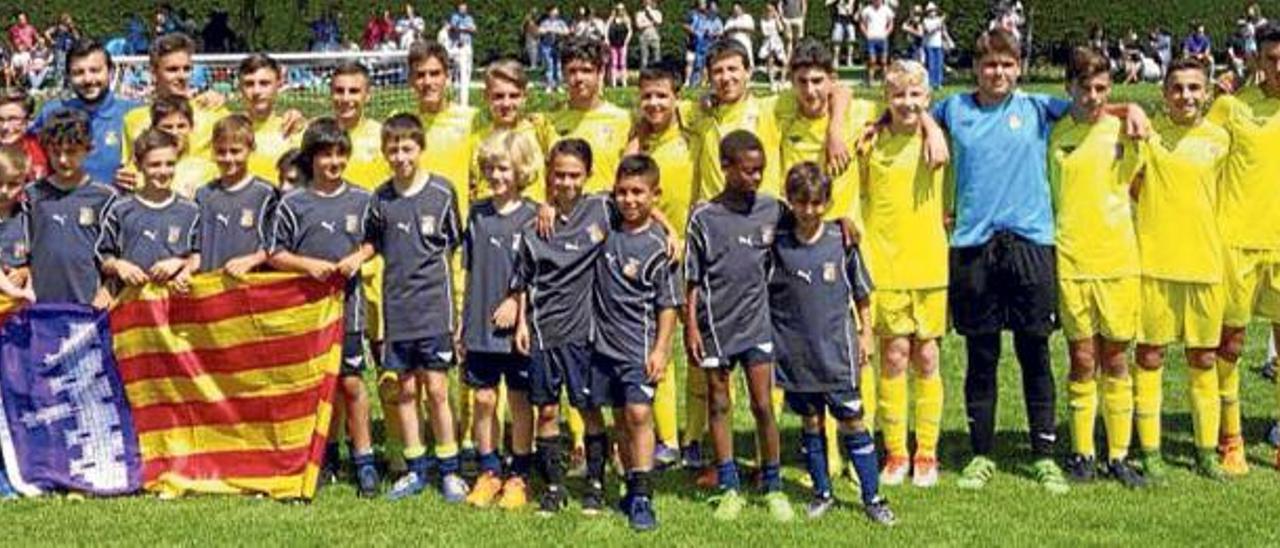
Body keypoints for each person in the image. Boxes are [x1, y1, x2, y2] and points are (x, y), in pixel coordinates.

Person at [932, 29, 1148, 494]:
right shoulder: (954, 109)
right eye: (990, 65)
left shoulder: (1035, 108)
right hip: (974, 246)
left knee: (1035, 352)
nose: (999, 73)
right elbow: (908, 117)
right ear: (975, 67)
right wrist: (929, 127)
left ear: (1018, 68)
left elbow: (1089, 108)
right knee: (982, 355)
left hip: (1031, 245)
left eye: (1007, 65)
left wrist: (1131, 107)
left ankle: (1046, 455)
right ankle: (981, 453)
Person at [772, 162, 892, 524]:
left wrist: (866, 334)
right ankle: (822, 493)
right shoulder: (777, 244)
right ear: (790, 201)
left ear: (827, 202)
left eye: (816, 204)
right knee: (810, 422)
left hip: (838, 352)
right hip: (796, 352)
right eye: (801, 203)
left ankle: (873, 498)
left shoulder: (841, 240)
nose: (808, 211)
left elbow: (862, 293)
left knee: (853, 421)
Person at [1050, 48, 1145, 488]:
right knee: (1082, 358)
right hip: (1071, 261)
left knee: (1117, 358)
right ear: (1068, 87)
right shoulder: (1053, 134)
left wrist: (1133, 109)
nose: (1092, 96)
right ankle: (1083, 452)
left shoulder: (1125, 131)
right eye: (1084, 88)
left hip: (1119, 261)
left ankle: (1120, 455)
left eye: (1102, 88)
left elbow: (1141, 187)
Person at [269, 117, 379, 498]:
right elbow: (275, 252)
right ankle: (322, 456)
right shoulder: (292, 203)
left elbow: (374, 242)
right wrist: (307, 266)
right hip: (304, 310)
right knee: (315, 384)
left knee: (350, 382)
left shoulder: (363, 199)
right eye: (324, 155)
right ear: (311, 158)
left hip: (346, 306)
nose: (333, 162)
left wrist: (357, 257)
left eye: (339, 154)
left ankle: (364, 460)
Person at [1130, 58, 1229, 481]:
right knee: (1150, 355)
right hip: (1154, 264)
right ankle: (1150, 451)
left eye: (1194, 88)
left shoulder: (1221, 139)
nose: (1186, 96)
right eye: (1177, 88)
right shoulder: (1148, 137)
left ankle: (1207, 451)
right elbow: (1132, 186)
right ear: (1163, 93)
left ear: (1206, 93)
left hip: (1206, 264)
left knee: (1204, 357)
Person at [685, 130, 792, 522]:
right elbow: (692, 278)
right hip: (715, 325)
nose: (755, 178)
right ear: (726, 167)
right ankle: (728, 484)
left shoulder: (773, 210)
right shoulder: (703, 217)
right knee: (719, 401)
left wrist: (843, 223)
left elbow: (809, 222)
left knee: (764, 404)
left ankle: (774, 483)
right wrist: (692, 327)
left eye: (760, 171)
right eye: (747, 171)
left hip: (757, 324)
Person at [506, 139, 613, 515]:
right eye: (560, 175)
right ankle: (553, 485)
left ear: (588, 175)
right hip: (541, 331)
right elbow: (522, 280)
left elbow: (644, 202)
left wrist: (669, 231)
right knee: (546, 411)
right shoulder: (534, 224)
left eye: (574, 175)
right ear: (549, 176)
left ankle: (596, 484)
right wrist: (521, 323)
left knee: (588, 409)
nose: (567, 182)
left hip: (582, 335)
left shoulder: (602, 208)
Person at [367, 113, 467, 503]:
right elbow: (373, 244)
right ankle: (415, 470)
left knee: (438, 391)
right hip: (397, 311)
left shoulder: (442, 193)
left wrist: (457, 309)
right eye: (393, 149)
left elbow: (454, 250)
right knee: (405, 392)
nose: (400, 156)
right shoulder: (381, 198)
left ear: (421, 149)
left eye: (407, 148)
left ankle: (450, 469)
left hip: (433, 310)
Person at [858, 60, 947, 489]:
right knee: (893, 356)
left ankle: (926, 452)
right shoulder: (870, 144)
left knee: (927, 356)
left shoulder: (939, 141)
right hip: (886, 266)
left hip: (929, 264)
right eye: (898, 95)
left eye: (915, 95)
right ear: (886, 99)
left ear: (927, 99)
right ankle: (895, 453)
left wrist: (931, 126)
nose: (907, 103)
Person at [1205, 23, 1280, 474]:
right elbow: (1187, 133)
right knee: (1230, 344)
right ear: (1255, 60)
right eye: (1270, 59)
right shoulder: (1232, 108)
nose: (1279, 67)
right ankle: (1230, 436)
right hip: (1237, 243)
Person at [591, 154, 681, 531]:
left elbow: (668, 304)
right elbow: (569, 193)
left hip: (638, 347)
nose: (629, 200)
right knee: (619, 418)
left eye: (638, 193)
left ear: (654, 195)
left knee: (640, 415)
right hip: (601, 345)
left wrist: (661, 348)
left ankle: (643, 495)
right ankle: (630, 482)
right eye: (623, 192)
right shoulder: (606, 224)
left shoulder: (661, 247)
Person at [460, 129, 541, 510]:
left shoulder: (534, 215)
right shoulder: (476, 214)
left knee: (521, 400)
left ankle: (519, 475)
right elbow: (471, 270)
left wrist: (516, 302)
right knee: (483, 398)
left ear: (521, 169)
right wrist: (463, 323)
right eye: (490, 168)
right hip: (479, 325)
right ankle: (488, 471)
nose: (496, 175)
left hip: (518, 328)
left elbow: (537, 274)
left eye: (503, 168)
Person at [28, 108, 118, 307]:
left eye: (71, 152)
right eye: (55, 152)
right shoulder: (32, 195)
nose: (62, 160)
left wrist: (108, 289)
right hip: (41, 306)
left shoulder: (105, 198)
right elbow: (23, 246)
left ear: (88, 149)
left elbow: (116, 253)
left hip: (89, 304)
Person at [120, 33, 231, 188]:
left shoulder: (214, 112)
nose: (181, 76)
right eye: (172, 69)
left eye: (186, 69)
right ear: (153, 72)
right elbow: (129, 167)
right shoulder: (133, 119)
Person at [98, 129, 201, 293]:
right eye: (154, 165)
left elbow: (198, 256)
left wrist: (181, 264)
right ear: (138, 165)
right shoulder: (120, 208)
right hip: (131, 303)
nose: (163, 171)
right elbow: (103, 257)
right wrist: (119, 266)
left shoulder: (190, 210)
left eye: (170, 164)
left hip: (174, 305)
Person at [32, 39, 137, 187]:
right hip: (63, 207)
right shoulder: (52, 112)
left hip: (117, 207)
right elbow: (22, 147)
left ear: (111, 72)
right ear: (68, 77)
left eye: (95, 70)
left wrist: (142, 174)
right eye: (78, 73)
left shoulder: (134, 114)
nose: (88, 79)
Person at [547, 36, 632, 195]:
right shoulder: (549, 123)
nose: (578, 78)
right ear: (563, 74)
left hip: (606, 212)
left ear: (600, 73)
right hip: (564, 215)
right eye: (572, 71)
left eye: (586, 71)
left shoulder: (623, 120)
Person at [195, 114, 277, 277]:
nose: (228, 158)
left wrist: (252, 260)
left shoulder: (266, 194)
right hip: (211, 290)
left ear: (251, 149)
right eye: (221, 151)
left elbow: (277, 246)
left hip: (249, 291)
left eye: (235, 151)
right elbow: (195, 249)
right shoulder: (203, 194)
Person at [471, 58, 548, 202]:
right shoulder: (477, 139)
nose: (506, 103)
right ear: (486, 96)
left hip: (531, 219)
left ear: (525, 96)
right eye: (498, 96)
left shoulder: (540, 130)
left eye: (514, 96)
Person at [237, 54, 302, 186]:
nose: (256, 91)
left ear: (279, 84)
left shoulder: (293, 129)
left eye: (264, 83)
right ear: (240, 88)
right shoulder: (226, 128)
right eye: (249, 84)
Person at [147, 96, 218, 199]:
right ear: (153, 129)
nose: (175, 132)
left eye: (181, 126)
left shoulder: (208, 170)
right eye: (167, 127)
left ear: (191, 127)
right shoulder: (142, 169)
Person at [0, 149, 33, 303]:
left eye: (12, 184)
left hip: (19, 304)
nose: (4, 191)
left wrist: (24, 272)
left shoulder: (27, 216)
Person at [0, 87, 46, 182]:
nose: (4, 127)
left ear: (28, 121)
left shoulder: (43, 149)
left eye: (13, 119)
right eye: (0, 120)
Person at [859, 0, 895, 86]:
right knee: (872, 61)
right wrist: (866, 34)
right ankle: (870, 81)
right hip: (871, 39)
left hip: (883, 39)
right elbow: (862, 23)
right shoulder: (867, 10)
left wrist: (886, 33)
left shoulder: (887, 10)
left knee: (884, 61)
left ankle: (885, 81)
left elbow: (891, 24)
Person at [448, 3, 477, 106]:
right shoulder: (454, 17)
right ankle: (455, 90)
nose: (463, 9)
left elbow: (473, 29)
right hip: (457, 46)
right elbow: (453, 28)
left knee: (468, 68)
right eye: (461, 7)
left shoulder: (469, 18)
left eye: (465, 7)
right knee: (457, 68)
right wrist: (464, 28)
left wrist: (463, 28)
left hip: (467, 45)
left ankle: (466, 90)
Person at [538, 7, 570, 92]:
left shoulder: (561, 22)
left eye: (556, 11)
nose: (555, 12)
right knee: (549, 66)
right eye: (553, 11)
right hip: (547, 46)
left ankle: (559, 85)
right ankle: (549, 85)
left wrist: (558, 32)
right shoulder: (545, 22)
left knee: (558, 66)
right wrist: (547, 30)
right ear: (549, 12)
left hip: (557, 46)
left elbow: (567, 31)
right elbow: (540, 31)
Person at [44, 12, 79, 86]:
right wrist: (51, 41)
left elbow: (77, 38)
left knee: (69, 67)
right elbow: (46, 33)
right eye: (68, 19)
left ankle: (68, 85)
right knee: (60, 67)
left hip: (69, 50)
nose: (69, 21)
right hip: (60, 48)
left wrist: (72, 28)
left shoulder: (71, 29)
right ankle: (59, 85)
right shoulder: (58, 27)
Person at [758, 4, 788, 92]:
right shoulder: (763, 21)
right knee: (770, 61)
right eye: (768, 10)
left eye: (771, 10)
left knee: (784, 62)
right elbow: (764, 33)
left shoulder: (775, 20)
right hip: (768, 42)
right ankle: (772, 82)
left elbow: (781, 29)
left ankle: (782, 81)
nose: (770, 12)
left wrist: (777, 19)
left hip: (777, 41)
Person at [606, 4, 633, 87]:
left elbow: (630, 31)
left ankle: (624, 83)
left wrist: (626, 41)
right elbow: (606, 30)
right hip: (613, 44)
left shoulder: (626, 19)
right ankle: (613, 83)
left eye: (621, 9)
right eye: (618, 9)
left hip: (622, 44)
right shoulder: (611, 19)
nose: (620, 11)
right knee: (614, 63)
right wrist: (607, 40)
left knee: (623, 64)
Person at [921, 3, 948, 88]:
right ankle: (931, 83)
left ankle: (939, 83)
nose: (932, 13)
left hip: (938, 45)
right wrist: (939, 22)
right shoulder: (925, 21)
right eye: (930, 11)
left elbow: (944, 31)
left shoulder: (939, 20)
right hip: (929, 45)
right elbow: (929, 30)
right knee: (931, 65)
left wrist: (948, 41)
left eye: (934, 11)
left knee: (939, 65)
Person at [723, 3, 755, 73]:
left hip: (744, 41)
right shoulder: (730, 19)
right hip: (733, 43)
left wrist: (740, 28)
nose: (736, 11)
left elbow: (751, 29)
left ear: (741, 9)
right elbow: (725, 30)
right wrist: (733, 29)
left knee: (748, 59)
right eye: (734, 10)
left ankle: (749, 76)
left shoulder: (747, 17)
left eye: (737, 9)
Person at [829, 0, 857, 69]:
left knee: (851, 41)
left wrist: (857, 13)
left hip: (850, 20)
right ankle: (835, 60)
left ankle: (849, 60)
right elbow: (827, 3)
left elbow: (858, 7)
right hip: (839, 20)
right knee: (837, 41)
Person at [635, 0, 664, 70]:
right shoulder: (639, 13)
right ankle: (643, 75)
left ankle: (657, 74)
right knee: (644, 57)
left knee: (657, 56)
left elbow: (659, 22)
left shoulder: (657, 12)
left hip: (655, 36)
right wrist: (650, 24)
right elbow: (638, 25)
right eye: (645, 2)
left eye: (649, 2)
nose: (647, 4)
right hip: (643, 37)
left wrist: (650, 14)